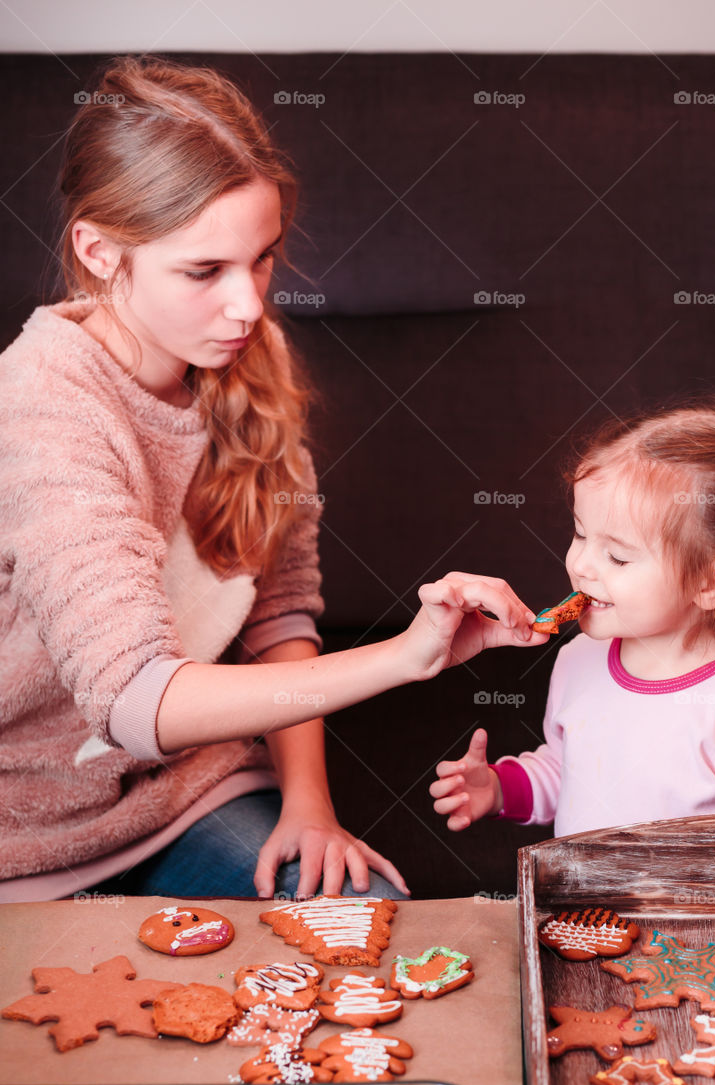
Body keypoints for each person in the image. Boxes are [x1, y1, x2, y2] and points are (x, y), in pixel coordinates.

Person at [0, 55, 547, 903]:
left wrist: (309, 803)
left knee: (370, 926)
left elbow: (278, 607)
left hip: (188, 798)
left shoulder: (242, 352)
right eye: (203, 270)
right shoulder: (41, 403)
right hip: (23, 840)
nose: (249, 305)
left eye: (260, 258)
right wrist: (406, 657)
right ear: (99, 250)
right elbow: (136, 703)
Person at [430, 402, 715, 867]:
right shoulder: (578, 659)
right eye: (581, 534)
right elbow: (567, 771)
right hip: (584, 923)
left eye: (618, 558)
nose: (581, 565)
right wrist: (502, 788)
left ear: (711, 583)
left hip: (704, 938)